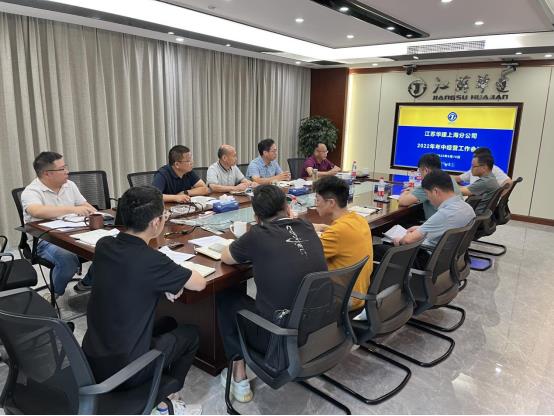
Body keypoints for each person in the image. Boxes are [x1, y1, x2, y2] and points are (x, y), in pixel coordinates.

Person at [82, 186, 206, 415]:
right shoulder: (152, 260)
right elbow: (199, 283)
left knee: (169, 322)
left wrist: (163, 282)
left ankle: (159, 390)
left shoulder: (104, 245)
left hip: (92, 358)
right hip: (125, 371)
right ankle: (167, 400)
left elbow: (125, 278)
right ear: (156, 222)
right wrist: (171, 277)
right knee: (191, 334)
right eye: (165, 215)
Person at [217, 184, 327, 403]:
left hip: (277, 339)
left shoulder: (258, 234)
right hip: (319, 328)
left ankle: (239, 375)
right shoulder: (306, 226)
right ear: (287, 208)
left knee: (225, 297)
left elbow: (226, 257)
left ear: (256, 217)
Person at [21, 151, 96, 296]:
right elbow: (36, 211)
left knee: (108, 248)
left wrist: (97, 215)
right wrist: (72, 209)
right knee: (67, 259)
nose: (67, 171)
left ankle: (87, 283)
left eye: (66, 167)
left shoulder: (70, 185)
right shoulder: (31, 191)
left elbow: (85, 205)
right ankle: (53, 294)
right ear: (47, 173)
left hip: (75, 233)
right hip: (45, 240)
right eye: (62, 169)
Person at [375, 170, 475, 269]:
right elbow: (443, 226)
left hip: (427, 260)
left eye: (427, 194)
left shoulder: (444, 214)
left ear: (435, 192)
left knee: (376, 249)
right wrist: (421, 228)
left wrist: (399, 240)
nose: (429, 199)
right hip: (448, 260)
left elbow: (407, 241)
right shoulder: (468, 209)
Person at [312, 176, 373, 311]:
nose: (315, 204)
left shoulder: (337, 232)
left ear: (331, 203)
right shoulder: (359, 219)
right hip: (359, 293)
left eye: (317, 199)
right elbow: (342, 236)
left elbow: (307, 255)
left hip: (343, 298)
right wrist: (318, 227)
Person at [399, 153, 461, 219]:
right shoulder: (449, 178)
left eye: (420, 172)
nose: (420, 176)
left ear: (426, 170)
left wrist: (405, 192)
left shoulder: (430, 183)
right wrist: (414, 191)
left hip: (438, 223)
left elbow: (403, 202)